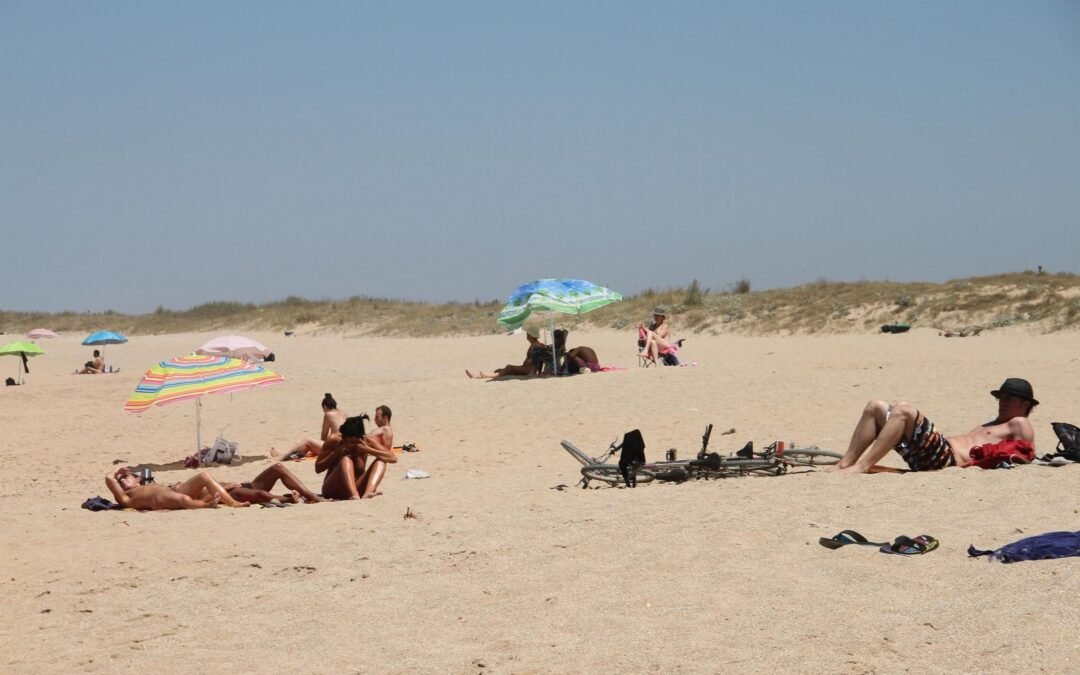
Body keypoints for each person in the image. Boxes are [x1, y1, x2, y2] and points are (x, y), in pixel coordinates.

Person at [833, 378, 1038, 474]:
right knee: (875, 407)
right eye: (1001, 397)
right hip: (930, 455)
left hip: (946, 460)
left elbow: (1025, 453)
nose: (1003, 401)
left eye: (1010, 398)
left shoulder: (1019, 423)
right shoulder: (991, 423)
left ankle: (863, 465)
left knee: (904, 410)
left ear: (1025, 404)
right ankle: (845, 463)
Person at [104, 463, 322, 510]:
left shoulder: (156, 485)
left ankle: (306, 496)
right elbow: (109, 479)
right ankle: (232, 503)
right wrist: (117, 472)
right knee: (262, 493)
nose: (125, 480)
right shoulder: (127, 498)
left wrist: (225, 484)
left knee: (278, 468)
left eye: (129, 477)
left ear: (140, 480)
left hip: (224, 488)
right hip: (227, 492)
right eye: (122, 480)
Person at [316, 414, 398, 500]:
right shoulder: (334, 440)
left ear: (360, 439)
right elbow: (318, 468)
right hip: (332, 489)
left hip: (357, 486)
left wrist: (369, 450)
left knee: (381, 460)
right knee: (346, 460)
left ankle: (368, 492)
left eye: (354, 442)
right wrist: (335, 454)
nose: (350, 444)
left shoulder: (366, 441)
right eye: (347, 441)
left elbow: (393, 458)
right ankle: (354, 495)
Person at [274, 392, 347, 461]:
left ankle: (282, 457)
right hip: (345, 446)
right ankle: (287, 455)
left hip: (336, 449)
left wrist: (319, 447)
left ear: (325, 407)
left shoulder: (328, 414)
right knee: (309, 448)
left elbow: (324, 434)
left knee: (307, 441)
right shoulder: (343, 413)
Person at [466, 325, 552, 379]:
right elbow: (524, 327)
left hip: (528, 370)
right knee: (501, 369)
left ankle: (487, 376)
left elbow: (541, 360)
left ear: (532, 335)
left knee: (509, 368)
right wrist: (514, 332)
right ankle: (477, 375)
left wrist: (538, 372)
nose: (527, 335)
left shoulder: (538, 345)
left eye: (528, 334)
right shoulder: (534, 344)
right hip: (525, 367)